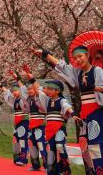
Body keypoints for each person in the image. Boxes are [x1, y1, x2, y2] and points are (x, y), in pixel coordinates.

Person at [33, 46, 103, 174]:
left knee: (96, 145)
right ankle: (90, 172)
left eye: (80, 56)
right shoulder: (78, 73)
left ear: (88, 55)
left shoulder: (98, 71)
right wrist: (45, 53)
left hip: (96, 113)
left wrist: (98, 88)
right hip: (84, 114)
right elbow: (62, 66)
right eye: (75, 58)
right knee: (84, 146)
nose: (78, 60)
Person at [35, 80, 81, 174]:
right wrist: (31, 79)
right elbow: (38, 91)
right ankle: (52, 171)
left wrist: (73, 114)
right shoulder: (47, 101)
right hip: (49, 129)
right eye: (47, 88)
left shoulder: (62, 100)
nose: (47, 90)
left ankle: (65, 167)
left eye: (50, 89)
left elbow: (67, 106)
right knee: (51, 150)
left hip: (59, 128)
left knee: (60, 146)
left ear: (57, 91)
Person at [18, 66, 47, 171]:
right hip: (31, 125)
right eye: (28, 89)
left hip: (40, 125)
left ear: (35, 90)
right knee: (32, 145)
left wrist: (32, 78)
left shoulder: (40, 98)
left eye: (31, 89)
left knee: (41, 145)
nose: (29, 91)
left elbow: (40, 93)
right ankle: (35, 165)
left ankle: (47, 166)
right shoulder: (28, 100)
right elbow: (23, 95)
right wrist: (18, 80)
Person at [0, 81, 29, 166]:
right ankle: (16, 158)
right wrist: (1, 86)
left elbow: (24, 91)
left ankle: (23, 159)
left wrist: (19, 81)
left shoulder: (25, 99)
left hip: (24, 120)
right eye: (13, 91)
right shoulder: (14, 100)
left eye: (16, 90)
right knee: (16, 140)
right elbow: (7, 93)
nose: (14, 92)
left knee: (22, 140)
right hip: (17, 121)